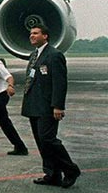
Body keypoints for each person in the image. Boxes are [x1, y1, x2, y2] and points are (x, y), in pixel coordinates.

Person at [22, 24, 81, 188]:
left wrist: (58, 106)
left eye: (35, 33)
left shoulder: (54, 55)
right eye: (31, 34)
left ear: (45, 36)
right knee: (41, 142)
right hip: (34, 105)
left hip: (47, 107)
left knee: (48, 139)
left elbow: (59, 83)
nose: (31, 36)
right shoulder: (34, 55)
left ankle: (70, 170)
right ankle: (52, 173)